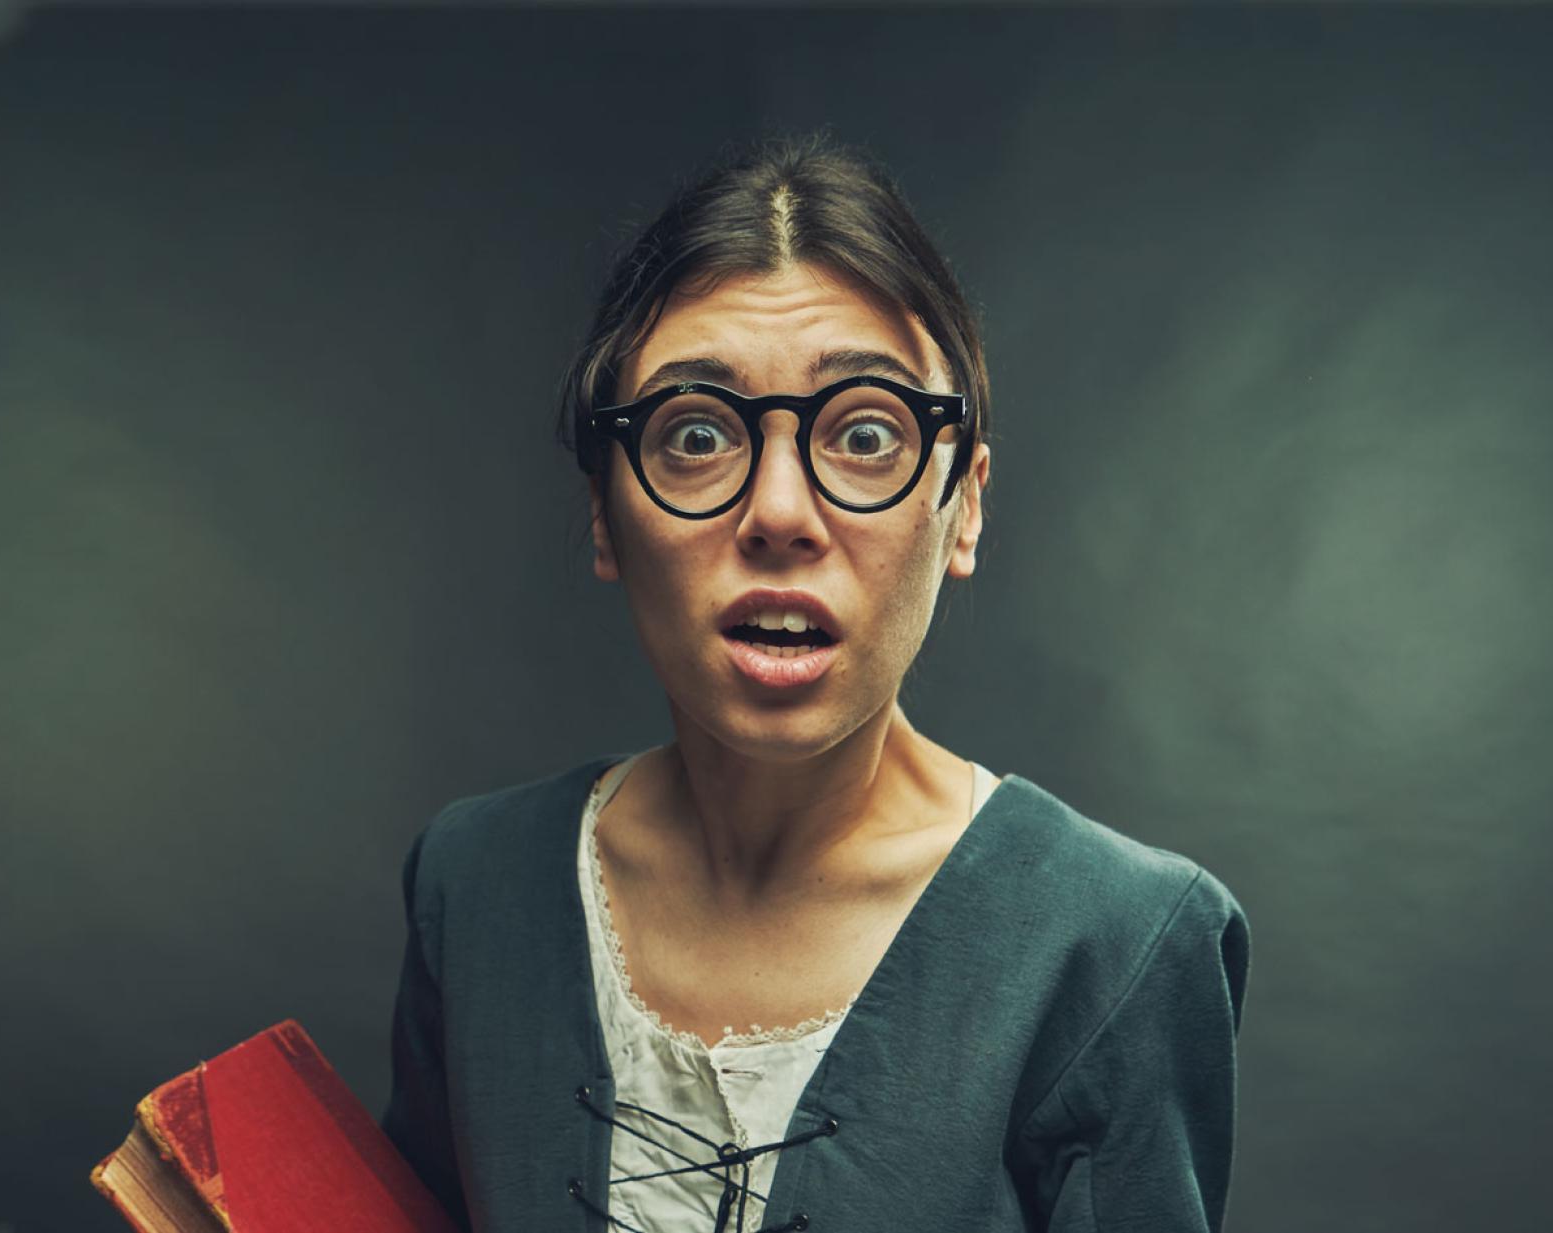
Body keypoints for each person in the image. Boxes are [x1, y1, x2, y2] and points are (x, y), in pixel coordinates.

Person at [381, 131, 1250, 1233]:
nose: (781, 514)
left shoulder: (1120, 938)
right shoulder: (474, 883)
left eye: (868, 433)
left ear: (965, 504)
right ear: (602, 509)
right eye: (693, 433)